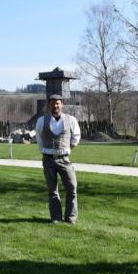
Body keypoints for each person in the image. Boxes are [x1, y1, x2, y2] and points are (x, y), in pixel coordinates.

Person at [35, 94, 81, 224]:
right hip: (48, 160)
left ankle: (70, 218)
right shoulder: (41, 121)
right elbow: (39, 140)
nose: (55, 105)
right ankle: (55, 217)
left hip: (65, 160)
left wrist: (68, 149)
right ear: (49, 105)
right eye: (53, 103)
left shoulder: (71, 120)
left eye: (58, 103)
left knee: (72, 188)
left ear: (62, 105)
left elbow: (76, 137)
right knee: (52, 190)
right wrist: (46, 152)